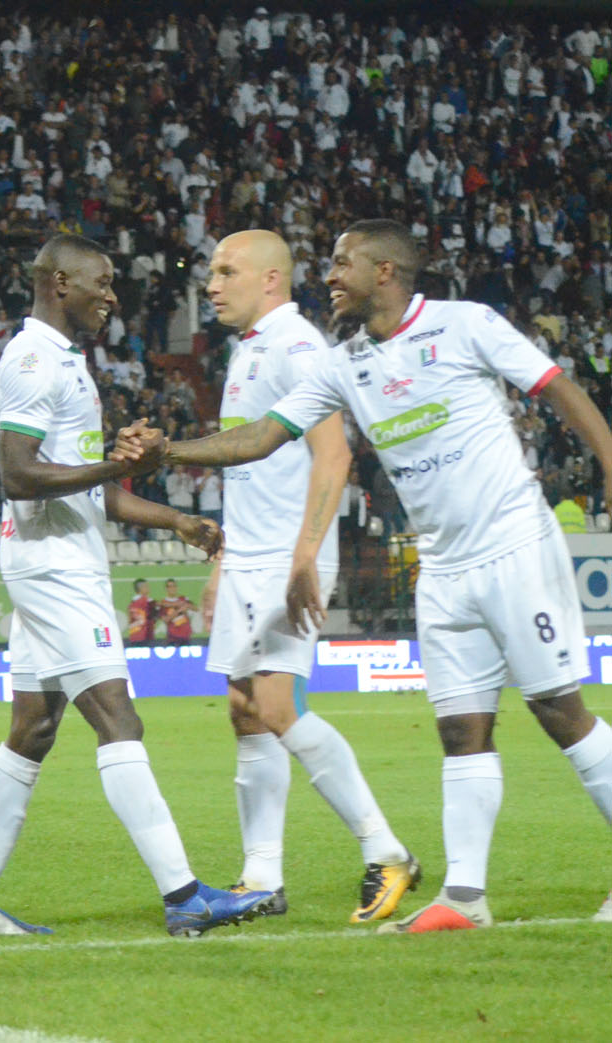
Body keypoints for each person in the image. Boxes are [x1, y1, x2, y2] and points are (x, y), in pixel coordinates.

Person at [121, 219, 612, 933]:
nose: (329, 276)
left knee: (558, 711)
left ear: (384, 271)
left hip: (513, 546)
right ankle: (464, 898)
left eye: (342, 263)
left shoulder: (464, 324)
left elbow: (555, 386)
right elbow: (261, 436)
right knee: (461, 730)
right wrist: (167, 450)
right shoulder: (341, 363)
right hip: (440, 565)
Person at [0, 234, 273, 939]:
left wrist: (174, 519)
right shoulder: (33, 359)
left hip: (51, 558)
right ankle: (184, 895)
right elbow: (18, 473)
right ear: (61, 283)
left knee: (33, 730)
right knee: (119, 721)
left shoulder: (66, 360)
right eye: (101, 282)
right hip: (55, 566)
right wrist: (113, 467)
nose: (111, 295)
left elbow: (87, 487)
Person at [200, 229, 416, 922]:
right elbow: (249, 471)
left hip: (285, 556)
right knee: (245, 709)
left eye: (225, 271)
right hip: (249, 556)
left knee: (277, 705)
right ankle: (260, 876)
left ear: (270, 279)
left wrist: (305, 555)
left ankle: (386, 850)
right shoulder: (249, 349)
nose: (211, 285)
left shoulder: (296, 346)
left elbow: (333, 454)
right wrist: (223, 561)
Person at [125, 578, 154, 646]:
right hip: (143, 636)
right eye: (146, 586)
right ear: (141, 588)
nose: (148, 588)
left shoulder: (132, 603)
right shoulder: (146, 601)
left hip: (135, 636)